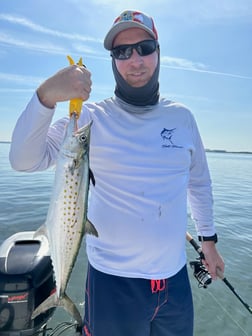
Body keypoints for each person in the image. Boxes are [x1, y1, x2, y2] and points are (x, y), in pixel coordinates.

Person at [9, 9, 224, 336]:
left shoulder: (183, 118)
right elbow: (23, 160)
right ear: (112, 60)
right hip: (112, 282)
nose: (135, 59)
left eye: (145, 48)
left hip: (175, 282)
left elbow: (199, 183)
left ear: (158, 51)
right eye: (122, 51)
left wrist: (208, 240)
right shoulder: (88, 119)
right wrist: (45, 96)